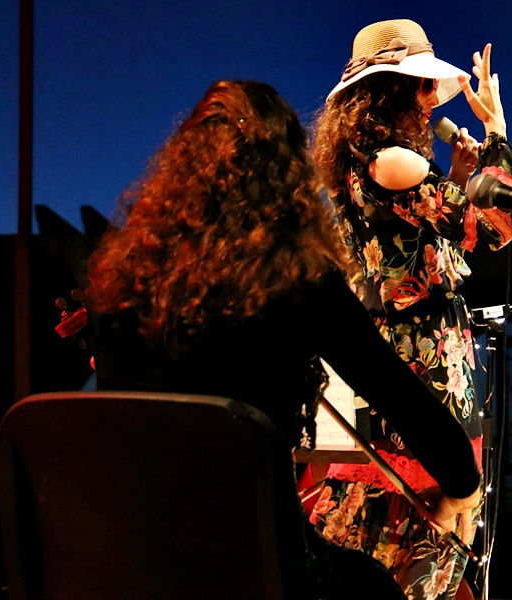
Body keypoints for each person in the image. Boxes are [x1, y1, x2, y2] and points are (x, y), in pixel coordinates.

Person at [85, 80, 482, 600]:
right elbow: (398, 395)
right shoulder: (296, 279)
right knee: (373, 587)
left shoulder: (121, 281)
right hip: (252, 556)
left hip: (134, 556)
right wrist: (462, 488)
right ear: (285, 173)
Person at [306, 19, 512, 600]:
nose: (431, 100)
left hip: (417, 349)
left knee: (413, 528)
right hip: (421, 361)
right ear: (393, 91)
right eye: (423, 87)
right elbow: (499, 225)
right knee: (423, 527)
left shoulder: (371, 161)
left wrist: (454, 179)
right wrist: (497, 132)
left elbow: (420, 250)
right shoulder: (395, 161)